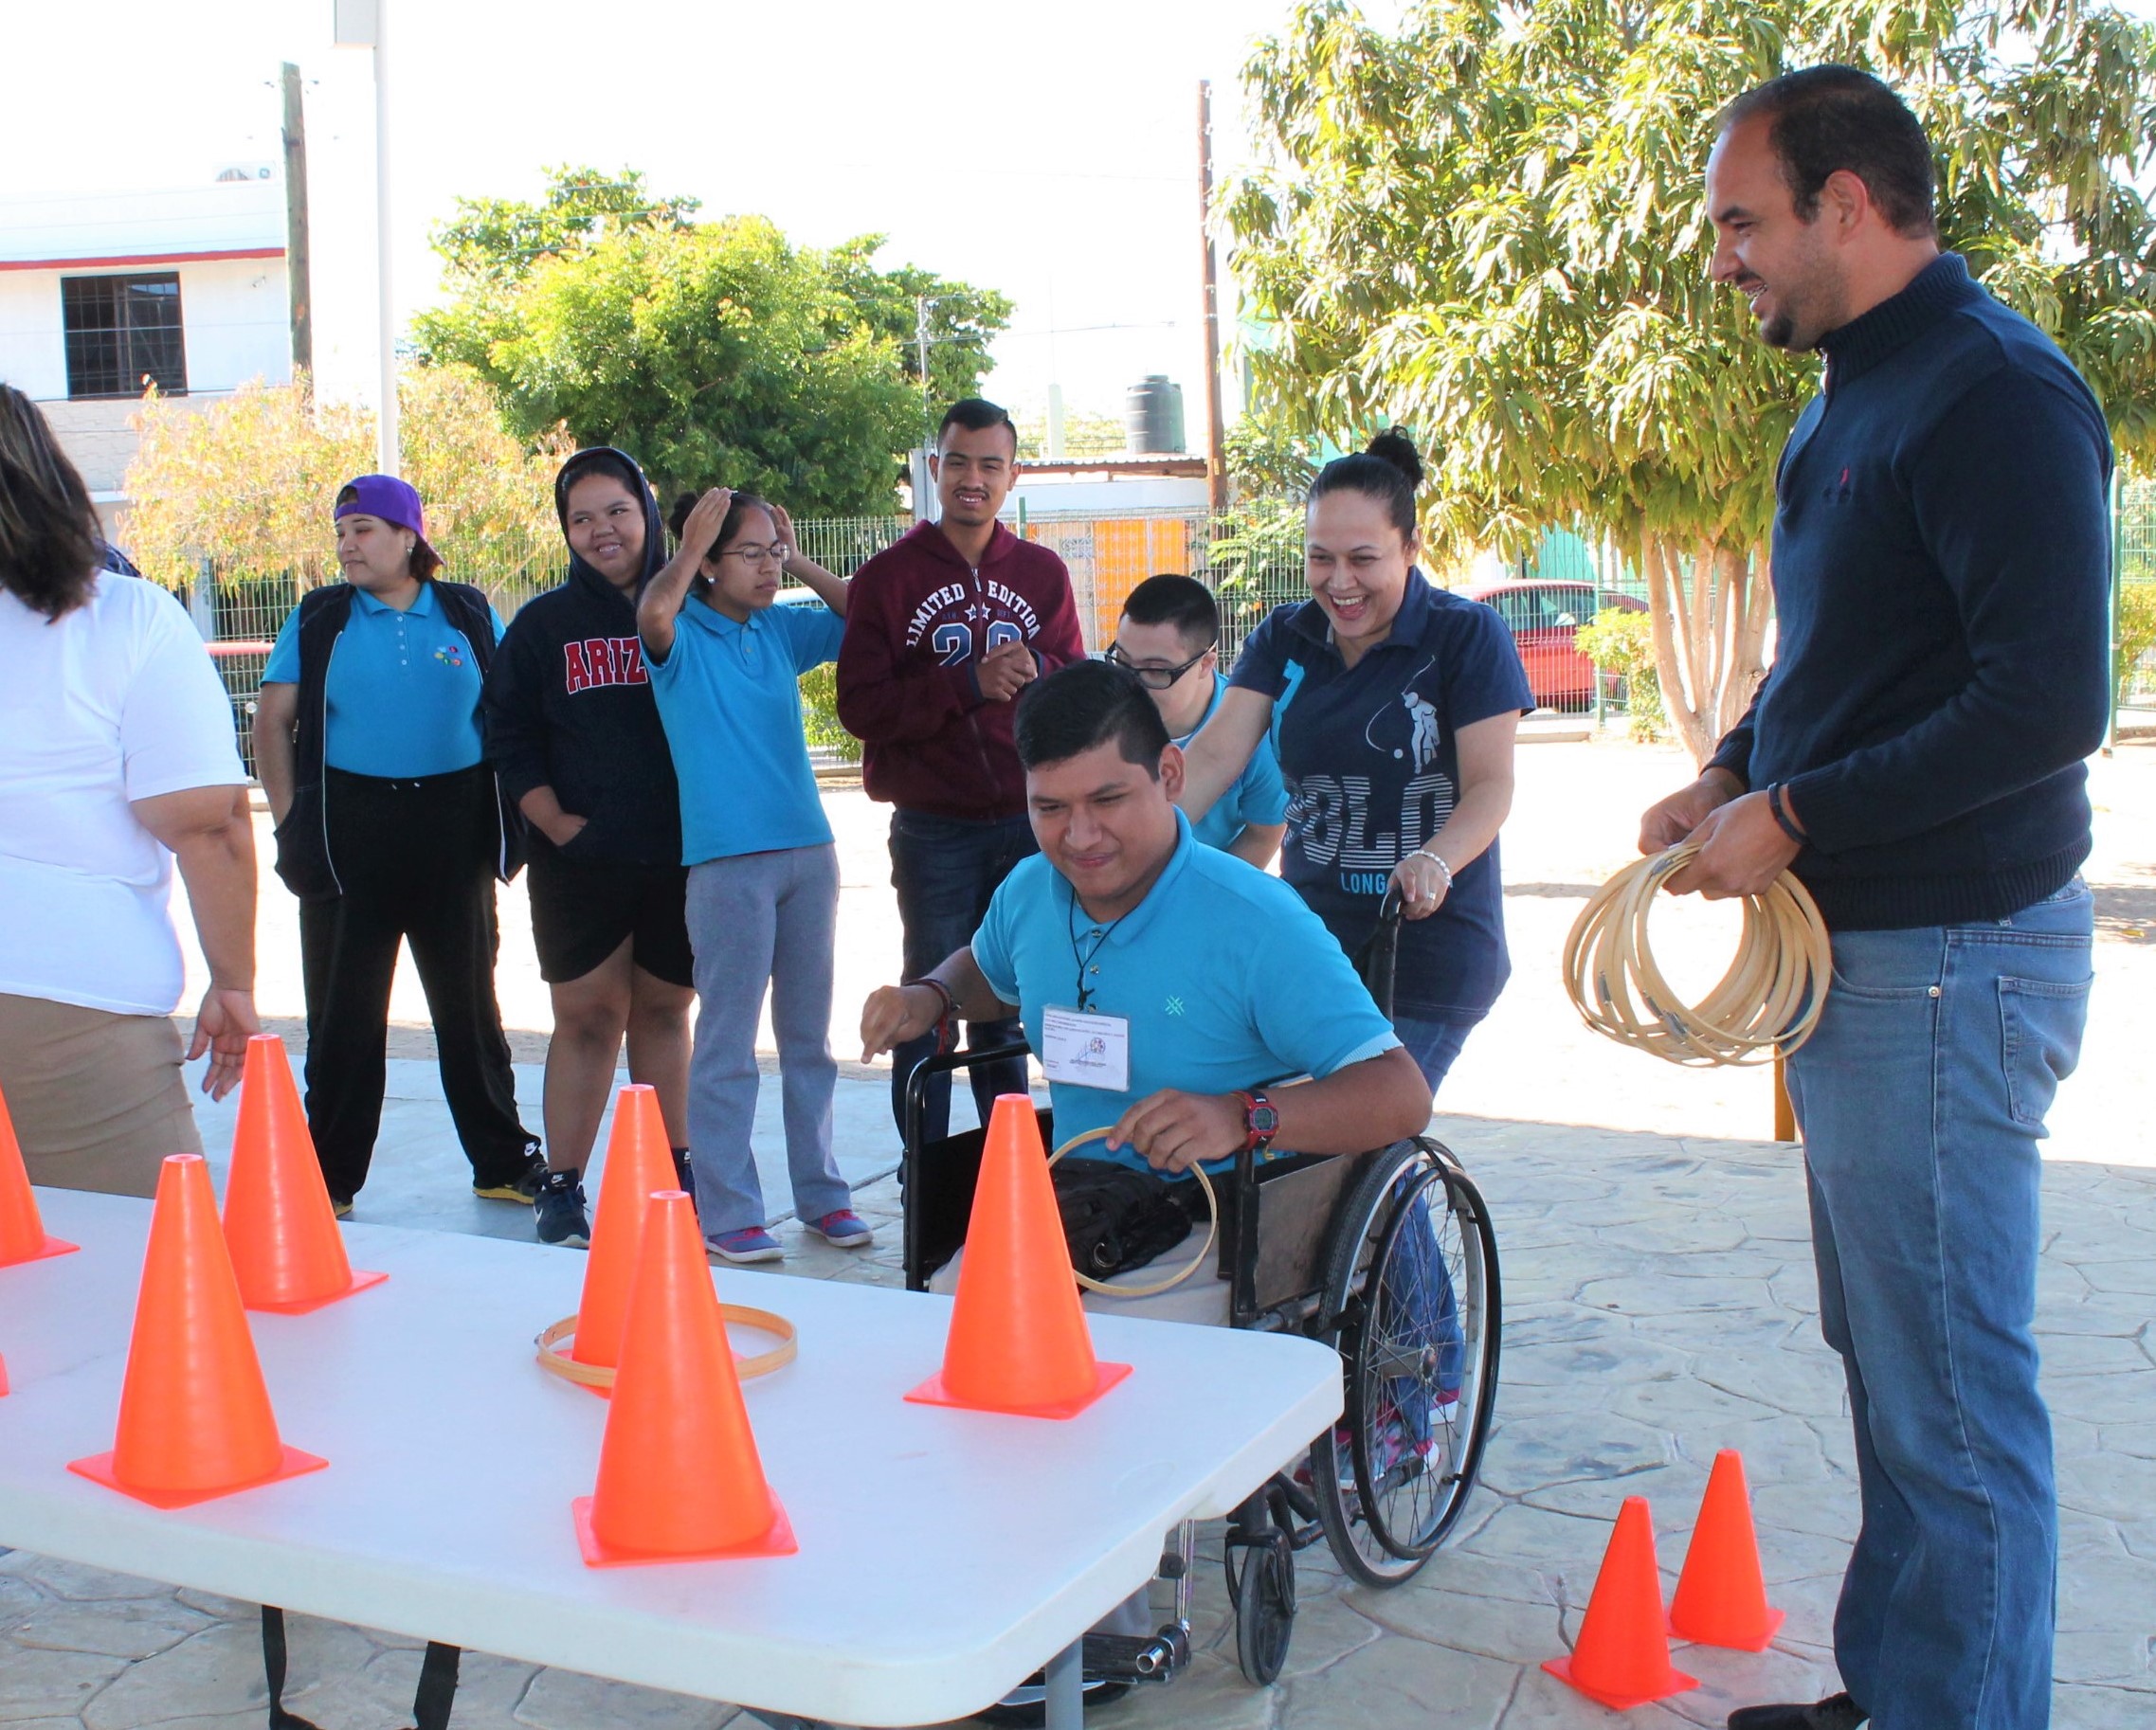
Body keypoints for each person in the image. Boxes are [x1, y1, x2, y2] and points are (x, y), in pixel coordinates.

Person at [1639, 68, 2111, 1730]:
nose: (1726, 261)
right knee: (1899, 1376)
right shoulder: (1849, 400)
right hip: (1873, 969)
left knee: (1959, 1403)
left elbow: (2050, 699)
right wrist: (1729, 767)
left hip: (1951, 965)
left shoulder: (1994, 392)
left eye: (1743, 223)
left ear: (1848, 205)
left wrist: (1800, 808)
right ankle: (1909, 1688)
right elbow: (1830, 661)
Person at [860, 658, 1432, 1292]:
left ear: (1168, 774)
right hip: (1075, 1208)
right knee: (956, 1328)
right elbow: (991, 975)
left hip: (1217, 1229)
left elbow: (1401, 1096)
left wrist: (1244, 1117)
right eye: (1049, 807)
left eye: (1107, 800)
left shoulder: (1254, 922)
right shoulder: (1028, 891)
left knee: (1106, 1368)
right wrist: (930, 995)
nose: (1079, 837)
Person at [1177, 431, 1532, 1094]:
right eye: (1320, 558)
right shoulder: (1285, 634)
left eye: (1363, 559)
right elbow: (1215, 755)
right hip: (1307, 944)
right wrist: (1138, 841)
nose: (1338, 583)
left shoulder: (1463, 636)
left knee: (1362, 1133)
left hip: (1427, 951)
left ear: (1411, 548)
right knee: (1281, 1152)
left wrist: (1434, 860)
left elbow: (1490, 786)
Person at [254, 476, 543, 1215]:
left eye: (365, 529)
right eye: (342, 531)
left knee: (469, 1008)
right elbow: (272, 722)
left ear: (409, 538)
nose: (348, 544)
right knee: (344, 1014)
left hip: (454, 830)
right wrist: (291, 823)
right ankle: (328, 1181)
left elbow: (509, 707)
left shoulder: (466, 612)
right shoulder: (322, 617)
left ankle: (503, 1162)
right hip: (350, 830)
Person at [0, 385, 259, 1194]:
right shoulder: (125, 618)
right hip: (65, 1001)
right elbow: (208, 824)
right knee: (131, 1286)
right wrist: (235, 981)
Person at [836, 398, 1086, 1144]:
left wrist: (1033, 667)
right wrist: (967, 684)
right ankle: (926, 1173)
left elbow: (1072, 676)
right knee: (931, 998)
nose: (971, 478)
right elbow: (860, 706)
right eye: (958, 461)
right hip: (932, 831)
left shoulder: (1041, 573)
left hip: (1026, 823)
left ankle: (1010, 1163)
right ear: (934, 468)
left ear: (1012, 476)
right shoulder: (886, 577)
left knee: (1015, 1000)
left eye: (990, 464)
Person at [639, 486, 873, 1266]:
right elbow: (653, 618)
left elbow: (861, 614)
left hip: (809, 853)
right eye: (752, 554)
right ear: (706, 562)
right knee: (728, 1042)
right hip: (726, 866)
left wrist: (794, 550)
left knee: (808, 1040)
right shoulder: (680, 631)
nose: (769, 570)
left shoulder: (777, 629)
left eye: (774, 553)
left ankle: (823, 1195)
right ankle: (729, 1210)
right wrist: (688, 550)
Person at [483, 448, 695, 1248]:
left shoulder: (696, 608)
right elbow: (507, 733)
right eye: (581, 518)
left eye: (616, 510)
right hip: (580, 861)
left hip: (681, 855)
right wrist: (556, 823)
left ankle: (676, 1175)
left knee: (666, 1012)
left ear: (645, 510)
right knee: (586, 1017)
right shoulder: (545, 626)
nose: (601, 530)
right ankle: (563, 1186)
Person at [1106, 573, 1286, 868]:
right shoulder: (1102, 716)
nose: (1132, 685)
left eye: (1156, 670)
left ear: (1205, 663)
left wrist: (1206, 894)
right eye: (1122, 661)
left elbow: (1265, 833)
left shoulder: (1253, 730)